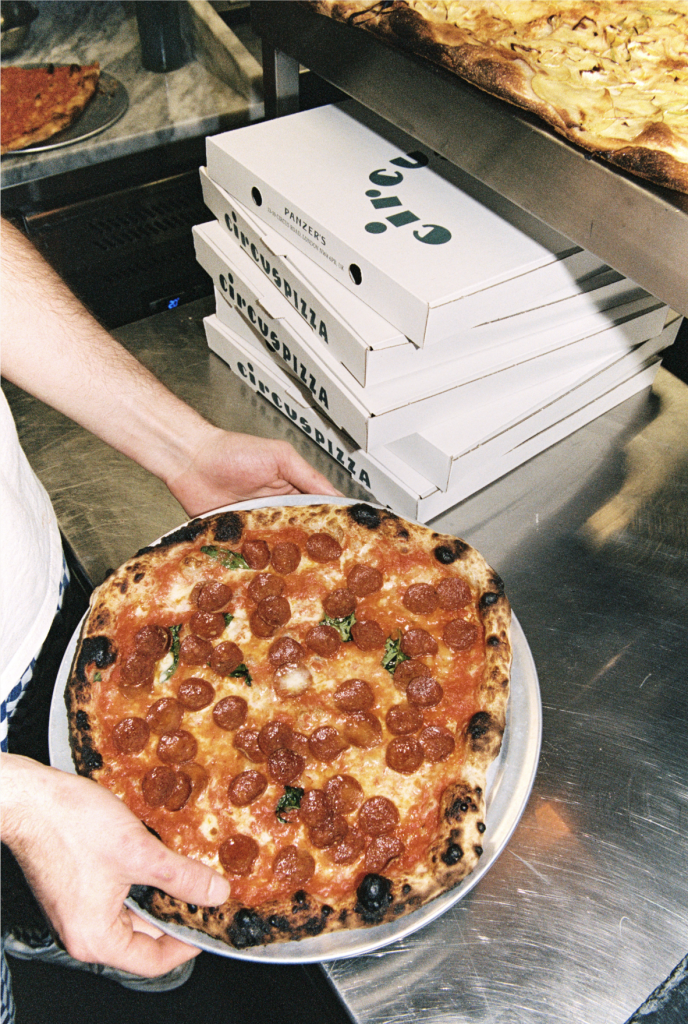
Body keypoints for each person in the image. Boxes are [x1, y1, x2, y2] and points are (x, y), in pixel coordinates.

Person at [0, 218, 340, 1022]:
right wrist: (17, 804)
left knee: (50, 828)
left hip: (36, 607)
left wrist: (183, 448)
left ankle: (28, 909)